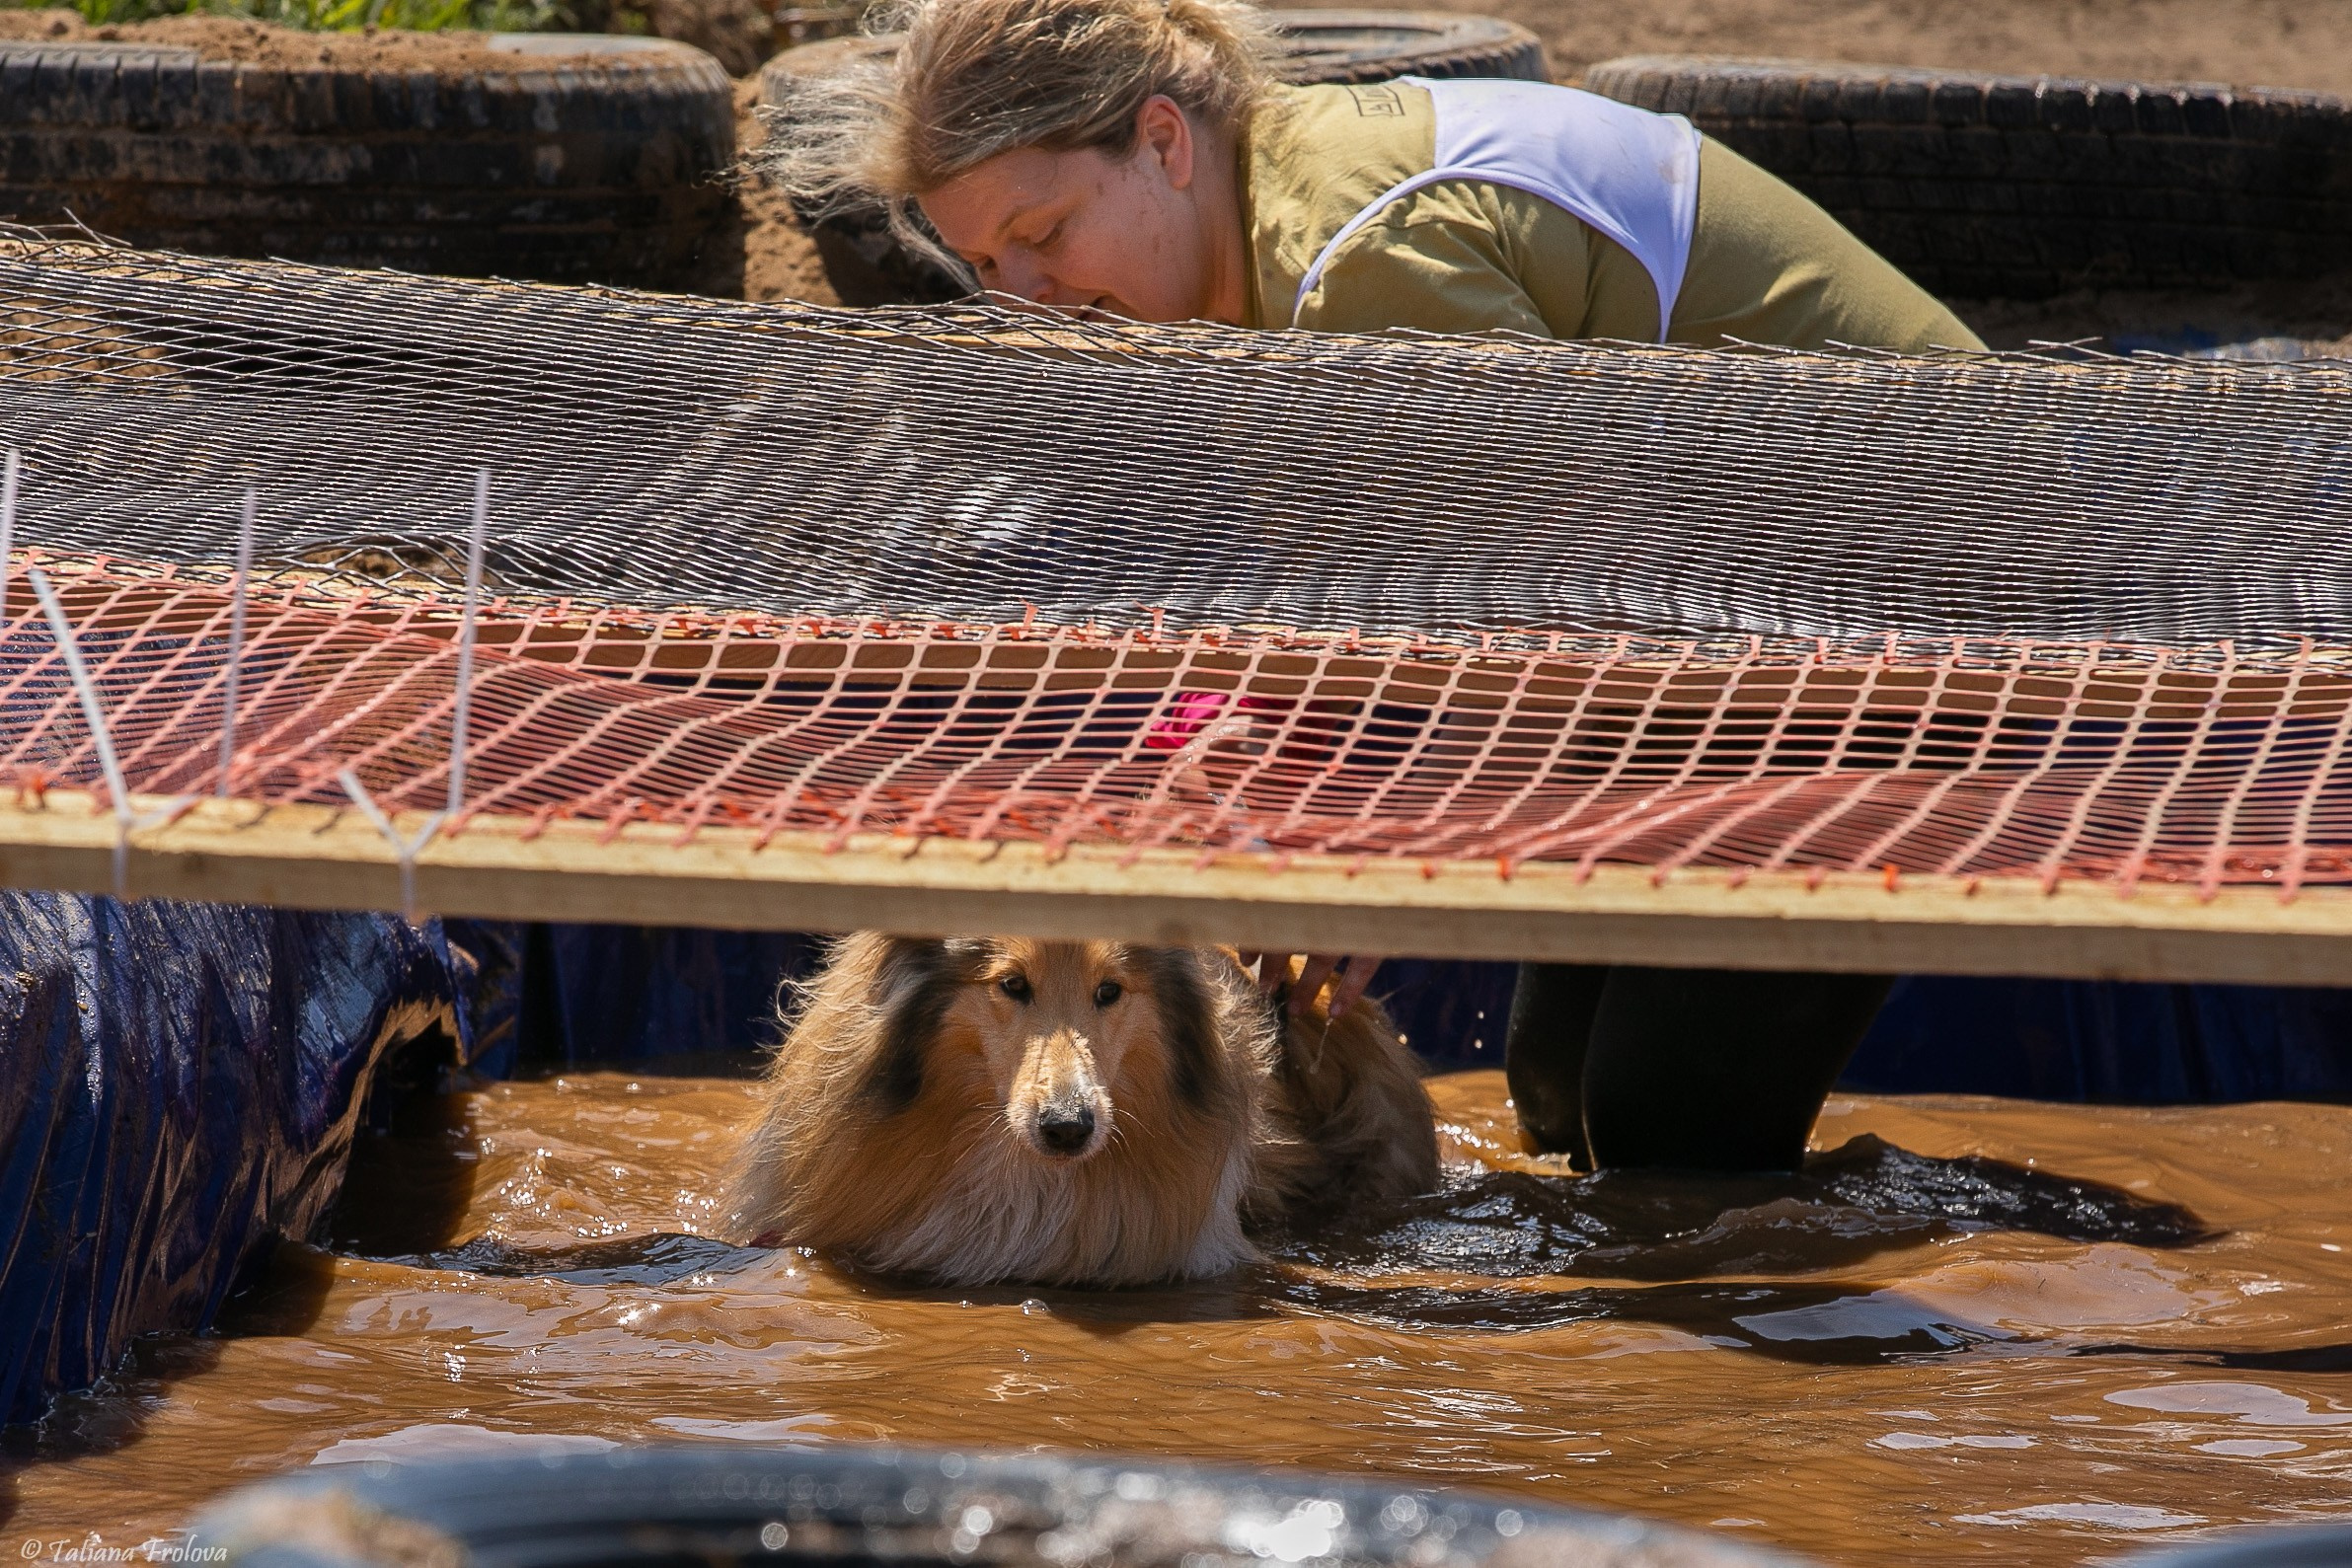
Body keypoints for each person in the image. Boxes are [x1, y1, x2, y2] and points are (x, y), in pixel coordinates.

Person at [760, 0, 1984, 1173]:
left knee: (1669, 1126)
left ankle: (1944, 1290)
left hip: (1944, 607)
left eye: (1042, 233)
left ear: (1163, 142)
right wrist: (1234, 736)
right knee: (1557, 1097)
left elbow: (1529, 597)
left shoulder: (1358, 267)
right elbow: (1343, 573)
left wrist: (1367, 824)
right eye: (983, 261)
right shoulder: (1243, 263)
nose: (1023, 295)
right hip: (1735, 609)